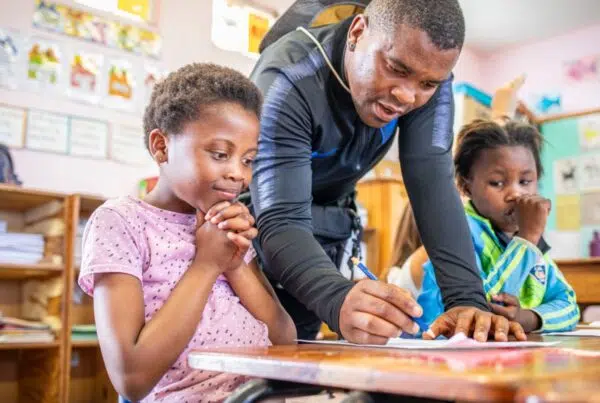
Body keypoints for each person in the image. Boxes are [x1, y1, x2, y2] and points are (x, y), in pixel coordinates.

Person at [248, 0, 526, 344]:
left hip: (326, 228)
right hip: (253, 236)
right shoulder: (289, 76)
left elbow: (433, 185)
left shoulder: (427, 77)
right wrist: (337, 298)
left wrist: (467, 300)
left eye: (428, 84)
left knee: (296, 363)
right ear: (358, 32)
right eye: (395, 68)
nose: (406, 96)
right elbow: (280, 217)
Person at [78, 63, 296, 402]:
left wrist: (235, 265)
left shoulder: (227, 225)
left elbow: (285, 341)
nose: (238, 174)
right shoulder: (120, 222)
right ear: (162, 147)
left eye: (249, 160)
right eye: (221, 154)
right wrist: (207, 265)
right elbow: (131, 379)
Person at [389, 119, 580, 333]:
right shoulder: (454, 235)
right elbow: (477, 313)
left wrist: (528, 318)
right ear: (465, 186)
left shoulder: (530, 243)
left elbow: (569, 306)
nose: (516, 194)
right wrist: (526, 239)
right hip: (436, 359)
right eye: (497, 183)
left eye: (525, 181)